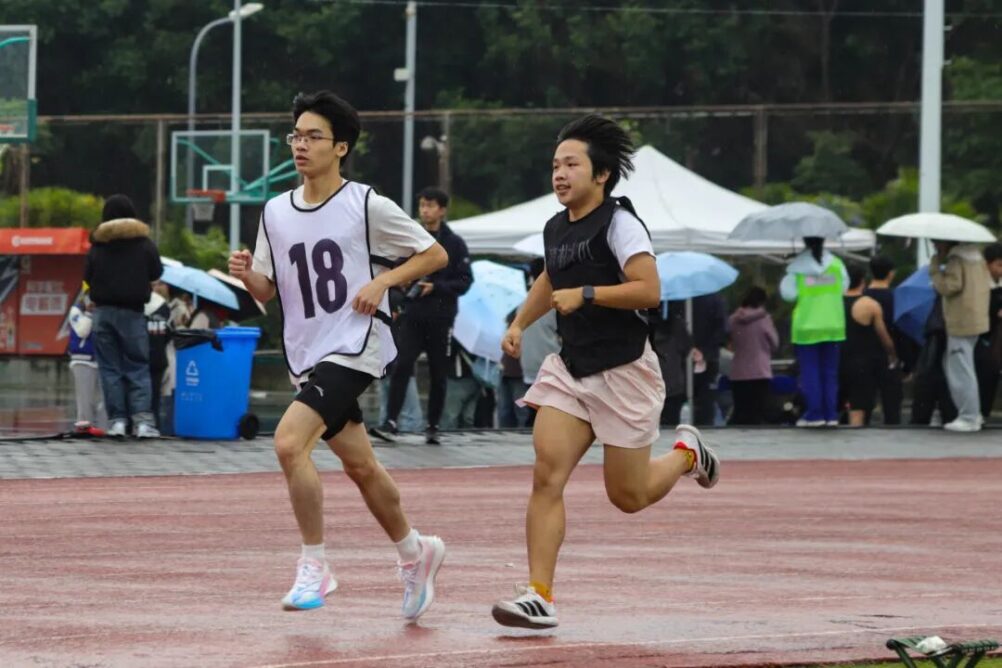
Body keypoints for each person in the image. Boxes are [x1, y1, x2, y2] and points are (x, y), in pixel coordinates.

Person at [491, 115, 719, 630]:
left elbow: (649, 290)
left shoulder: (621, 224)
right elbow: (551, 278)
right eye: (555, 165)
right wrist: (520, 323)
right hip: (571, 370)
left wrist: (589, 294)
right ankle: (539, 595)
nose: (559, 174)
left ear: (602, 174)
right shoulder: (555, 227)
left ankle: (687, 455)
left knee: (628, 497)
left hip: (625, 371)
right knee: (546, 474)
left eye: (571, 164)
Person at [228, 90, 448, 619]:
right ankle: (415, 552)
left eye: (313, 136)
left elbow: (434, 253)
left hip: (355, 343)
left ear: (341, 147)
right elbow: (268, 290)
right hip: (307, 352)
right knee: (361, 466)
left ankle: (315, 565)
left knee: (288, 443)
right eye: (295, 136)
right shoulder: (275, 212)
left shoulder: (365, 204)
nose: (300, 145)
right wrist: (248, 274)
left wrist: (383, 282)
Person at [375, 186, 473, 445]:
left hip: (441, 318)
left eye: (430, 206)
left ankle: (433, 425)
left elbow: (465, 280)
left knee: (438, 371)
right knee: (401, 364)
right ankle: (391, 421)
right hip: (413, 314)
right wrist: (402, 284)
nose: (425, 211)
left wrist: (436, 287)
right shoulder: (412, 237)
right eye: (422, 206)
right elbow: (393, 270)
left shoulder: (454, 243)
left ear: (442, 210)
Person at [84, 194, 163, 438]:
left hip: (103, 314)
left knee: (110, 369)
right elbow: (156, 272)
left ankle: (117, 421)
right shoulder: (144, 244)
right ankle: (142, 423)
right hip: (132, 313)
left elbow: (87, 276)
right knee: (137, 367)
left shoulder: (98, 246)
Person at [780, 236, 848, 427]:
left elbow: (788, 294)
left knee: (810, 372)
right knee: (830, 373)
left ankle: (814, 414)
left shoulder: (797, 267)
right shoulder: (837, 265)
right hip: (833, 324)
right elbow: (844, 288)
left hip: (807, 326)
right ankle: (831, 415)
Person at [929, 239, 991, 432]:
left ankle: (968, 417)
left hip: (961, 320)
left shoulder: (956, 259)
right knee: (961, 366)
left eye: (936, 243)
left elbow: (950, 286)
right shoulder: (977, 257)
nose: (935, 246)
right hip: (976, 318)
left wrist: (935, 270)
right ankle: (973, 414)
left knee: (960, 370)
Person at [839, 265, 897, 427]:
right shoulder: (870, 305)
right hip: (860, 365)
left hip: (835, 360)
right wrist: (892, 354)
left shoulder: (833, 303)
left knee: (833, 407)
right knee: (857, 408)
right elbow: (884, 337)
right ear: (862, 281)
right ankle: (854, 438)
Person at [728, 286, 779, 425]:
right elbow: (775, 343)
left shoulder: (733, 319)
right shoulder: (764, 319)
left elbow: (727, 338)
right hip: (760, 371)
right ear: (762, 301)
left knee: (741, 412)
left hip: (738, 372)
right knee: (757, 412)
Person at [863, 255, 904, 424]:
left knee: (863, 403)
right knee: (892, 405)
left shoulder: (862, 297)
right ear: (891, 273)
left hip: (864, 355)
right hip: (890, 356)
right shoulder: (896, 298)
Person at [67, 288, 107, 436]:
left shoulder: (105, 311)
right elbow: (82, 331)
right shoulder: (76, 311)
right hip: (82, 360)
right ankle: (84, 429)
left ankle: (103, 429)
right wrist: (90, 313)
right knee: (85, 400)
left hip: (103, 360)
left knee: (106, 399)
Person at [690, 292, 728, 425]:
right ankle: (704, 425)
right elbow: (722, 330)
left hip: (684, 356)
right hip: (709, 355)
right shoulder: (715, 299)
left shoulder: (682, 297)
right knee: (706, 397)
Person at [975, 243, 1002, 419]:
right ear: (987, 264)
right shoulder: (979, 286)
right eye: (999, 265)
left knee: (991, 377)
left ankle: (983, 413)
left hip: (997, 340)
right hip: (983, 338)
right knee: (983, 375)